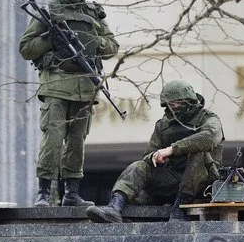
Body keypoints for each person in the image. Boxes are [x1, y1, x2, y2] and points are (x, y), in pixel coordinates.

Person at [19, 0, 119, 208]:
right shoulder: (49, 12)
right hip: (56, 85)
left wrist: (92, 42)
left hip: (85, 86)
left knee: (77, 142)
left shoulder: (94, 14)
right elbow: (26, 49)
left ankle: (71, 193)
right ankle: (44, 193)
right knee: (52, 139)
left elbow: (112, 48)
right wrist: (51, 38)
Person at [86, 80, 223, 222]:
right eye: (172, 104)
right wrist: (154, 156)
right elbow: (147, 155)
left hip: (203, 181)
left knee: (199, 152)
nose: (176, 107)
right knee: (139, 166)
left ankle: (180, 208)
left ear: (191, 101)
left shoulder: (208, 118)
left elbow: (209, 137)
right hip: (172, 179)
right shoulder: (163, 125)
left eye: (181, 103)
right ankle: (114, 208)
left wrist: (172, 149)